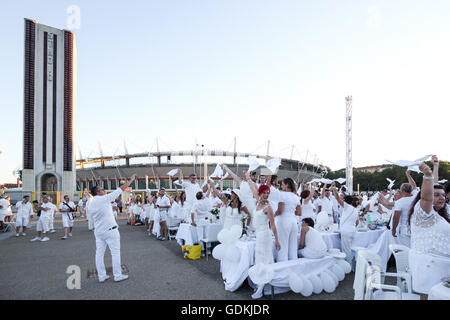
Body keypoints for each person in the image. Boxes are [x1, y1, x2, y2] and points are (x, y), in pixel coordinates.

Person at [408, 163, 450, 299]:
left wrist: (436, 167)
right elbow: (427, 197)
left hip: (438, 266)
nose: (442, 197)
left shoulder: (437, 215)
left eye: (443, 195)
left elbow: (433, 188)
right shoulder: (423, 214)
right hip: (430, 267)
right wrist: (427, 175)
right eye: (436, 195)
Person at [89, 174, 136, 283]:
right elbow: (121, 189)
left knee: (99, 254)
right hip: (110, 230)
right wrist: (131, 180)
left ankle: (102, 276)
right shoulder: (103, 199)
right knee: (115, 253)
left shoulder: (92, 203)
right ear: (97, 192)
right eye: (101, 190)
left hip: (99, 231)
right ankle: (117, 275)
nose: (104, 190)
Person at [273, 177, 301, 262]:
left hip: (284, 220)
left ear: (287, 185)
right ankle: (293, 263)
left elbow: (280, 211)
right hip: (293, 221)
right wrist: (291, 212)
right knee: (293, 245)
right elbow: (299, 213)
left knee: (283, 244)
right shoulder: (296, 196)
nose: (281, 186)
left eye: (282, 184)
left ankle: (282, 264)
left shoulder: (282, 195)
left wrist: (273, 214)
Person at [331, 183, 359, 267]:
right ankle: (351, 265)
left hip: (346, 231)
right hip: (352, 230)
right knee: (349, 248)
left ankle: (349, 266)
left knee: (346, 250)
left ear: (345, 201)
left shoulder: (347, 207)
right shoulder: (355, 210)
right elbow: (357, 222)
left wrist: (334, 188)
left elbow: (337, 198)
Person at [391, 182, 416, 247]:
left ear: (402, 190)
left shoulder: (400, 202)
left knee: (406, 250)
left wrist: (393, 229)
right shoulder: (416, 199)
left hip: (405, 229)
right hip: (416, 228)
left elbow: (396, 217)